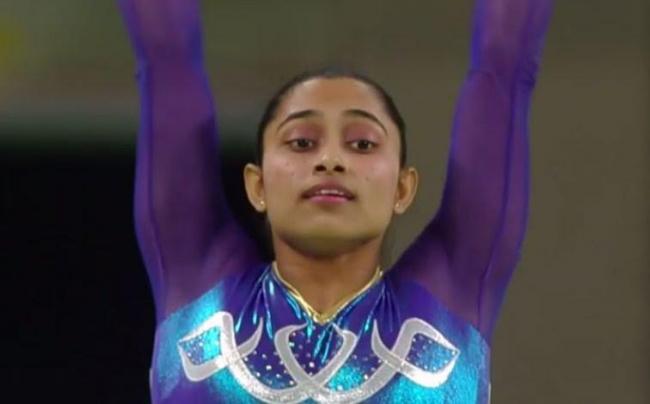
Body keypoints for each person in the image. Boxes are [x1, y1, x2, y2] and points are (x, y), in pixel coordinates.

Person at [117, 0, 552, 402]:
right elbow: (167, 58)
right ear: (258, 186)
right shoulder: (199, 280)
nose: (330, 159)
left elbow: (503, 64)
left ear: (402, 188)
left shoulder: (452, 290)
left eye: (362, 144)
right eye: (302, 142)